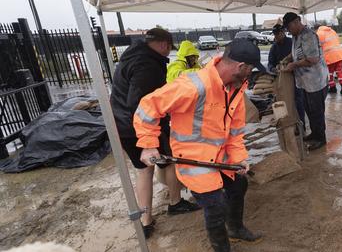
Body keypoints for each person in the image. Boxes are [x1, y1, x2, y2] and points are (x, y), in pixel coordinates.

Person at [135, 38, 264, 252]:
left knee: (239, 184)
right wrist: (148, 145)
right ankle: (222, 248)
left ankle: (235, 229)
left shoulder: (236, 89)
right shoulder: (193, 85)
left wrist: (239, 158)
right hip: (194, 160)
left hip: (219, 156)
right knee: (216, 206)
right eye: (250, 69)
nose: (251, 74)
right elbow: (148, 106)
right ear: (241, 66)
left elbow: (235, 131)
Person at [110, 28, 199, 238]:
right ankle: (170, 206)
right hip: (140, 126)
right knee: (163, 162)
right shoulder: (147, 65)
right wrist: (152, 133)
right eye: (169, 48)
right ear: (163, 45)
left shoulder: (133, 55)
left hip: (123, 124)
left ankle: (147, 218)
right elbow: (139, 103)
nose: (169, 53)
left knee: (147, 168)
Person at [281, 12, 329, 151]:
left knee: (317, 111)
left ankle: (321, 139)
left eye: (289, 27)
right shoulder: (296, 36)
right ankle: (315, 133)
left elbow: (312, 59)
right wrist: (288, 58)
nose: (288, 31)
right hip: (304, 82)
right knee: (309, 109)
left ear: (297, 22)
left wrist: (293, 65)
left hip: (316, 81)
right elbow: (296, 52)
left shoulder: (308, 35)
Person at [267, 24, 305, 124]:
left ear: (283, 32)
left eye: (278, 34)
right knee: (284, 100)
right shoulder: (274, 47)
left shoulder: (292, 43)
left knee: (298, 100)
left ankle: (301, 123)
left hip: (296, 75)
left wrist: (291, 63)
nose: (276, 37)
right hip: (282, 77)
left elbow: (300, 57)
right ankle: (288, 123)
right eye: (274, 35)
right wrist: (273, 69)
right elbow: (270, 63)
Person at [314, 24, 342, 94]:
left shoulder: (318, 33)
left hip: (329, 56)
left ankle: (332, 88)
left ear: (316, 29)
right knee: (339, 71)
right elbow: (338, 40)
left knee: (329, 73)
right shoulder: (332, 30)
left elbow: (316, 47)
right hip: (339, 54)